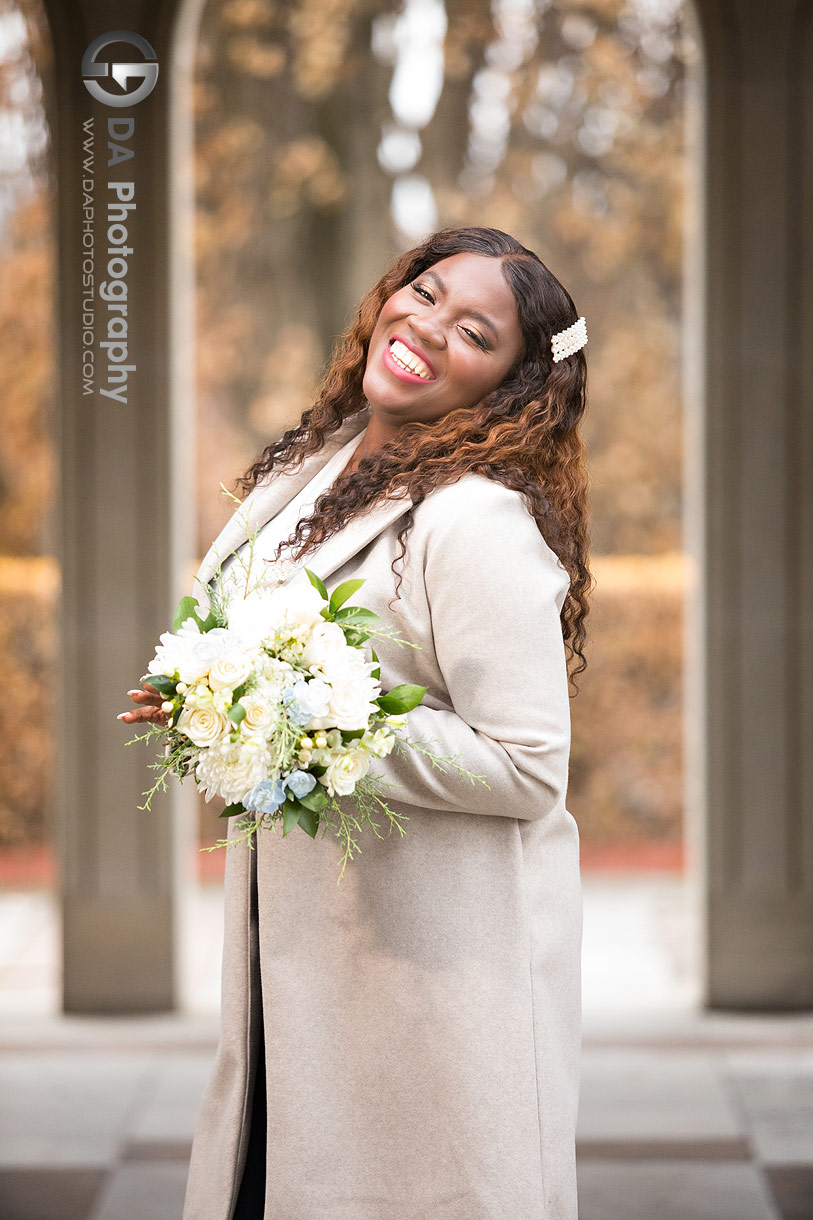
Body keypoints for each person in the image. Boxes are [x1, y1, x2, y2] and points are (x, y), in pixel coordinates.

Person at [118, 225, 592, 1220]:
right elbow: (260, 656)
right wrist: (212, 701)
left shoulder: (475, 524)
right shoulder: (313, 472)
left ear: (508, 387)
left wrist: (313, 719)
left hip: (424, 975)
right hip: (298, 950)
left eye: (474, 331)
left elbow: (529, 764)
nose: (426, 325)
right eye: (423, 292)